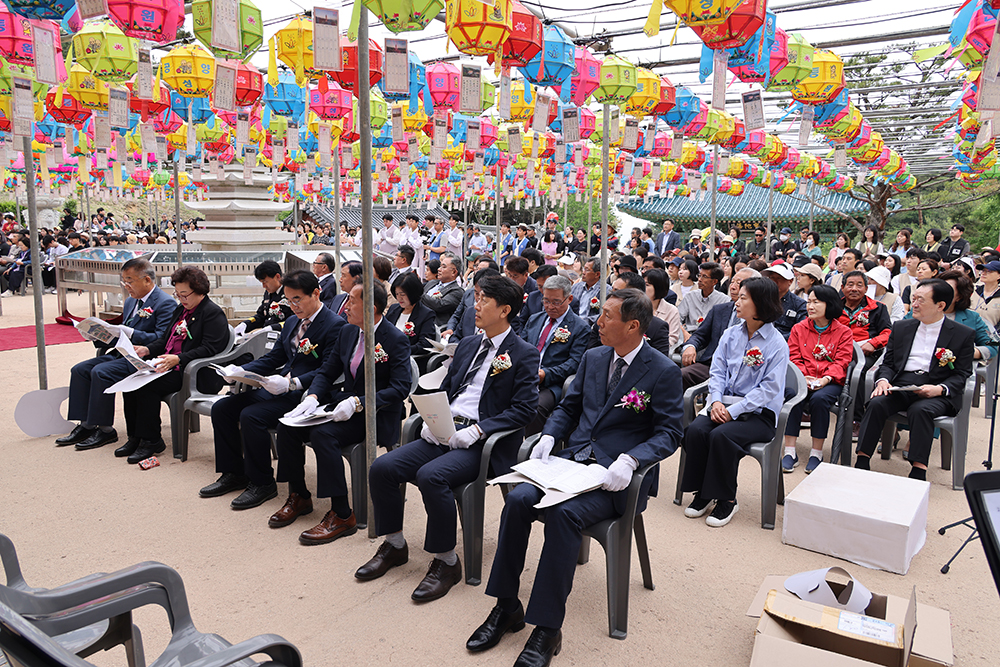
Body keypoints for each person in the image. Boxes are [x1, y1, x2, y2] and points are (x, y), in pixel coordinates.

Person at [470, 287, 682, 665]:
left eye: (607, 317)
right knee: (518, 500)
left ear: (633, 326)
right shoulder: (594, 357)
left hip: (614, 477)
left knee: (564, 514)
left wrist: (632, 460)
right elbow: (570, 407)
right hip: (572, 462)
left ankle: (548, 629)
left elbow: (669, 432)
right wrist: (550, 433)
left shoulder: (662, 371)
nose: (597, 323)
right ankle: (506, 607)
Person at [357, 275, 540, 601]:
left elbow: (524, 410)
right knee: (383, 467)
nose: (476, 305)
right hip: (445, 429)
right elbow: (450, 388)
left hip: (482, 441)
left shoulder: (523, 353)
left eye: (484, 300)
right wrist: (432, 417)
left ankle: (446, 561)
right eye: (477, 297)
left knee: (432, 477)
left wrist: (479, 429)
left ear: (505, 310)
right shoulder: (469, 343)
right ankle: (395, 544)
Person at [274, 280, 412, 542]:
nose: (345, 305)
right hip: (343, 404)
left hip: (375, 414)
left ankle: (342, 513)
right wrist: (312, 397)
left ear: (371, 308)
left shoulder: (395, 340)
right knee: (288, 426)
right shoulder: (348, 332)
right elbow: (328, 370)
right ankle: (299, 495)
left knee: (324, 435)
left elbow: (400, 388)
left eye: (351, 300)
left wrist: (359, 402)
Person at [200, 270, 346, 504]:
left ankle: (262, 483)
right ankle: (234, 473)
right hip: (276, 385)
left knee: (251, 416)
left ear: (316, 293)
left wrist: (291, 384)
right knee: (223, 408)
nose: (293, 305)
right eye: (289, 300)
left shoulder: (335, 325)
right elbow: (274, 358)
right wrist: (242, 371)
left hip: (304, 394)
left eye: (297, 299)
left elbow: (328, 370)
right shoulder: (291, 322)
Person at [680, 277, 789, 527]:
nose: (736, 302)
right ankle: (704, 492)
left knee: (722, 436)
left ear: (760, 303)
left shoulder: (776, 344)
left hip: (758, 414)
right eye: (737, 297)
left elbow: (769, 389)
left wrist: (734, 411)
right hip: (723, 405)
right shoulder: (731, 334)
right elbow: (716, 372)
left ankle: (727, 499)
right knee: (695, 431)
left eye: (743, 298)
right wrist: (716, 402)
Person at [855, 279, 975, 480]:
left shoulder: (962, 334)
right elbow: (889, 364)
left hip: (937, 388)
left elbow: (962, 374)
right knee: (877, 403)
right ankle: (861, 460)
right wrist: (883, 381)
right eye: (914, 298)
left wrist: (940, 389)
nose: (915, 304)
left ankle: (919, 469)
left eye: (921, 299)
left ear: (940, 305)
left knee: (921, 410)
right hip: (903, 384)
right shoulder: (902, 327)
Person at [56, 257, 175, 451]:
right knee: (80, 370)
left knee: (101, 372)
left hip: (142, 357)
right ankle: (86, 424)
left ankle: (105, 429)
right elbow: (119, 333)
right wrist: (96, 335)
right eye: (124, 281)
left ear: (147, 280)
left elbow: (162, 338)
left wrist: (131, 333)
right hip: (122, 352)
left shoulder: (165, 302)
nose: (126, 285)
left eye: (130, 280)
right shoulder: (130, 302)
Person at [124, 267, 230, 464]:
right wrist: (147, 350)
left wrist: (179, 358)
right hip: (172, 365)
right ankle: (136, 436)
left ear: (200, 291)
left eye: (184, 294)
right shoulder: (181, 310)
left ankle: (151, 440)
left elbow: (211, 348)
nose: (181, 299)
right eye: (177, 294)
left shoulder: (212, 313)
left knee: (146, 386)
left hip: (196, 373)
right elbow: (166, 340)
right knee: (131, 380)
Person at [782, 285, 854, 473]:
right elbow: (793, 356)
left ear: (829, 304)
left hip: (828, 380)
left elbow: (842, 361)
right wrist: (803, 376)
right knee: (792, 394)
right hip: (802, 378)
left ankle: (816, 452)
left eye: (816, 302)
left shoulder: (843, 332)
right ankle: (789, 451)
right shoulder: (799, 328)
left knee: (820, 400)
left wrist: (826, 378)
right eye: (809, 302)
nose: (810, 306)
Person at [519, 275, 590, 435]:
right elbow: (521, 348)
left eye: (556, 302)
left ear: (569, 299)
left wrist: (546, 374)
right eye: (546, 301)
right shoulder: (535, 319)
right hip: (524, 376)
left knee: (535, 407)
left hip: (552, 383)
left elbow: (574, 363)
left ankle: (532, 450)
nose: (550, 306)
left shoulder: (580, 328)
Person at [679, 268, 760, 390]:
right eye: (732, 282)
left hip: (744, 370)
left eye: (739, 283)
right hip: (712, 364)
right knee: (679, 375)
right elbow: (700, 335)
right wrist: (690, 346)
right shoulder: (720, 310)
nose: (732, 287)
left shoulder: (758, 317)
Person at [233, 261, 294, 338]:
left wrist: (273, 328)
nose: (264, 286)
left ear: (277, 277)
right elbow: (261, 315)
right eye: (261, 282)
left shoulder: (290, 292)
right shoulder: (268, 293)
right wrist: (246, 324)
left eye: (265, 282)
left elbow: (295, 320)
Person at [387, 272, 437, 358]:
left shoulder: (426, 314)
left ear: (413, 293)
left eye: (402, 294)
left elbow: (425, 345)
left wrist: (402, 350)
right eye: (397, 294)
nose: (399, 298)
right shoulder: (393, 309)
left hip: (408, 359)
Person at [677, 261, 729, 335]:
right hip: (690, 335)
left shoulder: (724, 300)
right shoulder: (690, 296)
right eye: (699, 275)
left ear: (714, 281)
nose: (699, 279)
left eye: (704, 276)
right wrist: (684, 333)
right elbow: (677, 318)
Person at [762, 263, 807, 340]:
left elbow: (800, 330)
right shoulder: (762, 299)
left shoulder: (799, 304)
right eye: (772, 278)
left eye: (779, 278)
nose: (775, 281)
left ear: (790, 281)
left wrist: (776, 340)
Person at [420, 253, 464, 328]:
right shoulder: (432, 283)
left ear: (454, 272)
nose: (439, 269)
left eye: (443, 267)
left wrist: (418, 294)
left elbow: (439, 305)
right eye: (440, 266)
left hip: (433, 326)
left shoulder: (457, 291)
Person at [644, 268, 682, 350]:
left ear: (658, 287)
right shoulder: (636, 307)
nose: (642, 288)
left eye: (647, 285)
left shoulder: (671, 310)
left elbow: (673, 338)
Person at [569, 257, 602, 326]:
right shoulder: (576, 287)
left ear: (597, 274)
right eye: (584, 269)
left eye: (587, 270)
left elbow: (601, 315)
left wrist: (583, 321)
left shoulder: (605, 291)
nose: (583, 272)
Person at [975, 260, 1000, 328]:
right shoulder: (973, 291)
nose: (983, 273)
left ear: (999, 276)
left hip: (990, 337)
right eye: (983, 270)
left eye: (989, 271)